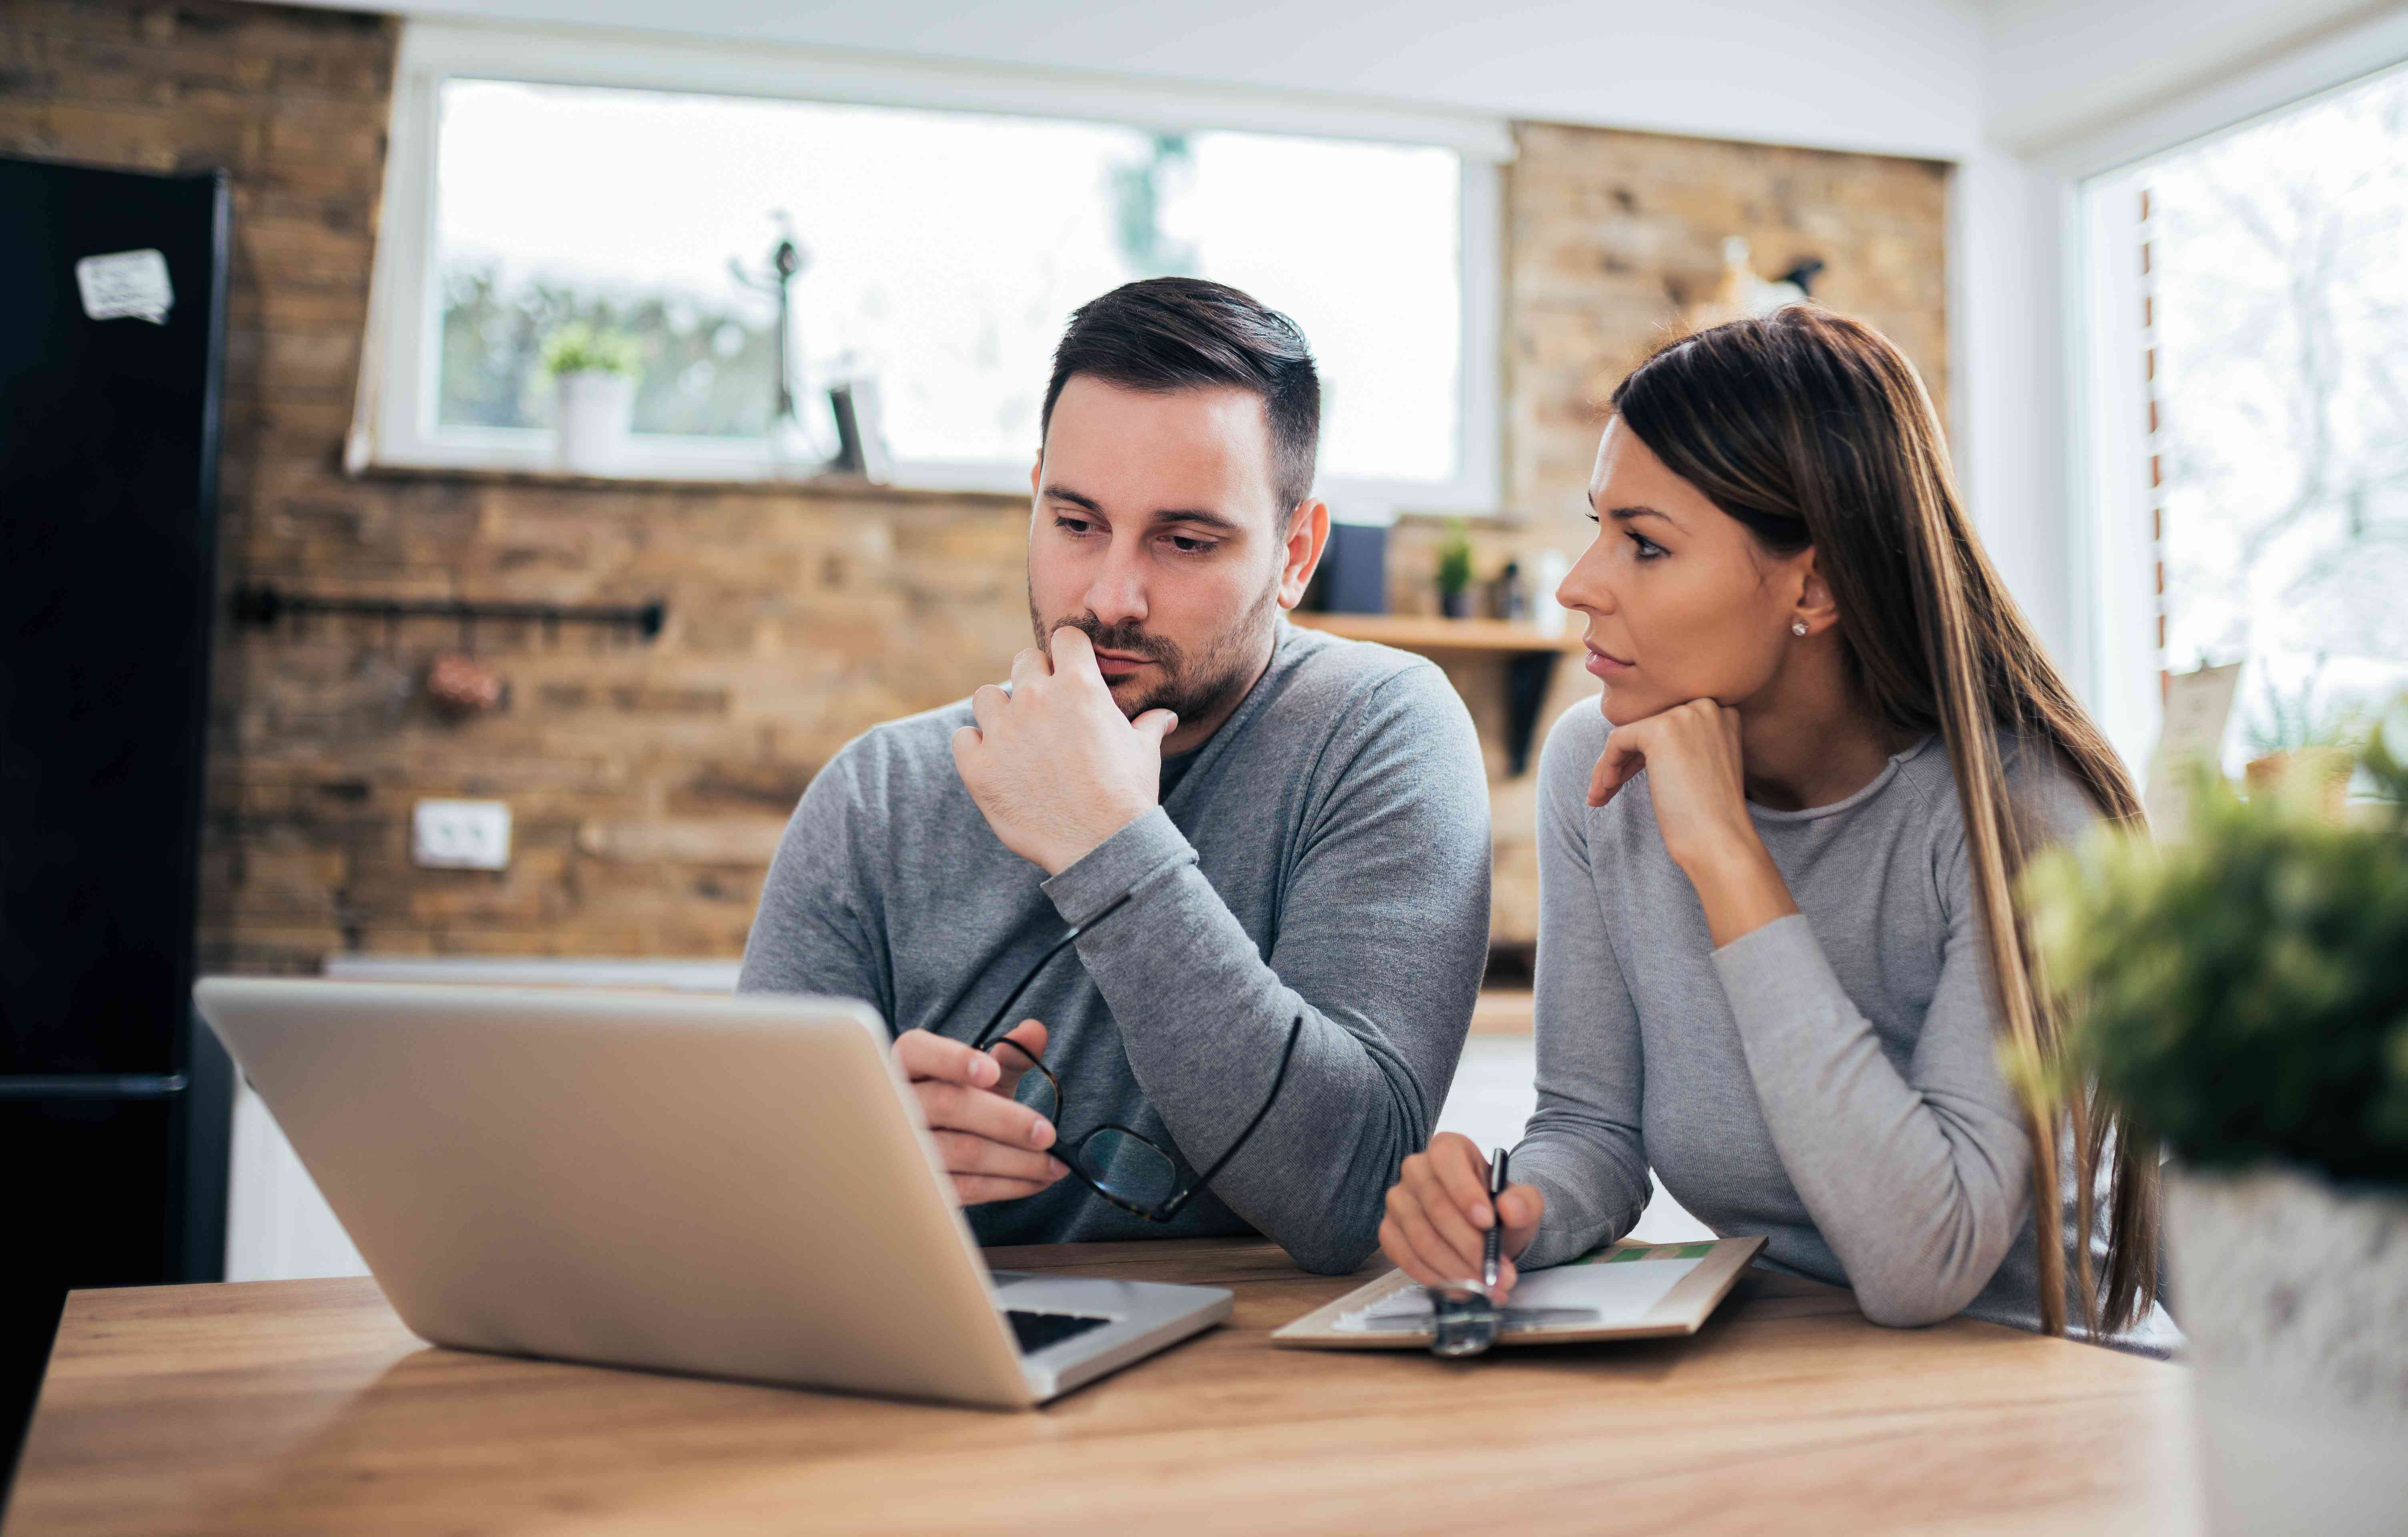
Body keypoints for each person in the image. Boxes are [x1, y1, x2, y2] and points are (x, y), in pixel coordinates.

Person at [1378, 304, 2170, 1348]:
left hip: (2039, 1384)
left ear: (1818, 581)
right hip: (1787, 1363)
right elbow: (1593, 1132)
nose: (1579, 585)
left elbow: (1923, 1266)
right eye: (1598, 528)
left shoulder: (2022, 820)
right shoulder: (1598, 768)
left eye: (1646, 545)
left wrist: (1728, 858)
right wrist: (1515, 1211)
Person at [740, 277, 1490, 1272]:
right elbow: (741, 1200)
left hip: (1262, 1382)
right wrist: (849, 1166)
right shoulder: (879, 793)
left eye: (1184, 541)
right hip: (948, 1355)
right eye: (1076, 523)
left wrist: (1102, 835)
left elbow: (1347, 1194)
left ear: (1295, 553)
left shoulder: (1376, 731)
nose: (1110, 597)